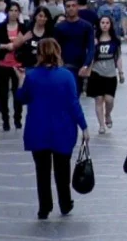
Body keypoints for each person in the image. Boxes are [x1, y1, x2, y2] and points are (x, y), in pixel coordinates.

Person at [15, 39, 89, 220]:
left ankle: (44, 206)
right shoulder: (66, 76)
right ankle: (65, 202)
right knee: (62, 169)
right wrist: (84, 126)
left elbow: (22, 98)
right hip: (62, 129)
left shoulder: (32, 76)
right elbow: (73, 103)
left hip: (38, 129)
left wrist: (20, 81)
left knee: (42, 171)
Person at [0, 2, 29, 130]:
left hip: (18, 65)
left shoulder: (23, 28)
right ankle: (5, 119)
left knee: (18, 91)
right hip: (3, 64)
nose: (13, 13)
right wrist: (5, 46)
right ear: (7, 12)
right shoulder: (1, 27)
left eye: (16, 10)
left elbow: (27, 45)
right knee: (3, 93)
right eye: (11, 10)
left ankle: (18, 118)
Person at [87, 16, 124, 134]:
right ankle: (101, 125)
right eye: (102, 22)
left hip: (110, 73)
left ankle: (107, 114)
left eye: (107, 23)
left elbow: (118, 57)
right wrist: (87, 69)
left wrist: (121, 72)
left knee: (109, 99)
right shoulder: (94, 40)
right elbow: (90, 56)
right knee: (98, 99)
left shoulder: (115, 41)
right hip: (96, 72)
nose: (104, 25)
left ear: (110, 25)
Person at [53, 0, 95, 96]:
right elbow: (55, 47)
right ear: (65, 8)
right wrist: (58, 62)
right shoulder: (59, 27)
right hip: (63, 66)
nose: (71, 8)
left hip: (80, 67)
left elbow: (91, 47)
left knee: (75, 95)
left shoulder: (86, 26)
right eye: (68, 6)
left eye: (73, 5)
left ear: (77, 7)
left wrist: (86, 65)